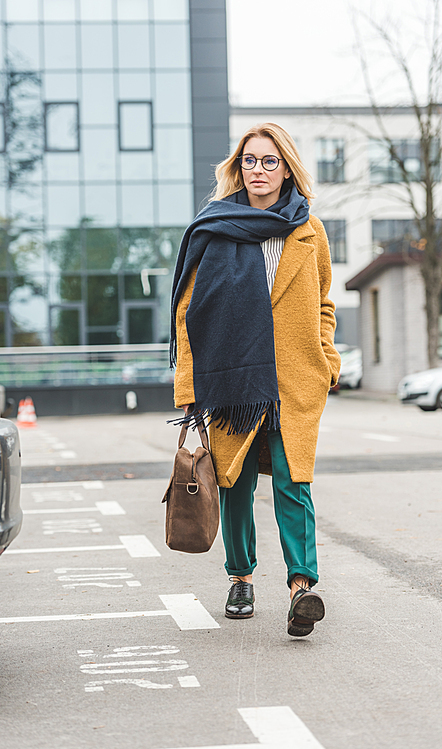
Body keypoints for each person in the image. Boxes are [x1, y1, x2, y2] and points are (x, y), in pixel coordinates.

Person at [170, 122, 340, 637]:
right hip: (229, 378)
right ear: (237, 168)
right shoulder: (214, 227)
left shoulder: (309, 230)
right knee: (235, 481)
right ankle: (240, 578)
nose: (259, 170)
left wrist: (326, 359)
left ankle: (301, 587)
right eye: (250, 161)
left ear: (286, 167)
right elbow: (186, 314)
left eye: (270, 161)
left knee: (294, 482)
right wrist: (188, 390)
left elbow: (323, 303)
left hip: (293, 378)